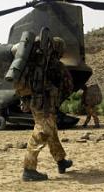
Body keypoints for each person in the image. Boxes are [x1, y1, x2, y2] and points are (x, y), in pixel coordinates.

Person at [14, 35, 74, 181]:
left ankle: (61, 161)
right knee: (41, 134)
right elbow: (69, 86)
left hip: (36, 104)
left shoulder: (36, 65)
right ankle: (29, 170)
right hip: (46, 105)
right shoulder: (54, 65)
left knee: (51, 133)